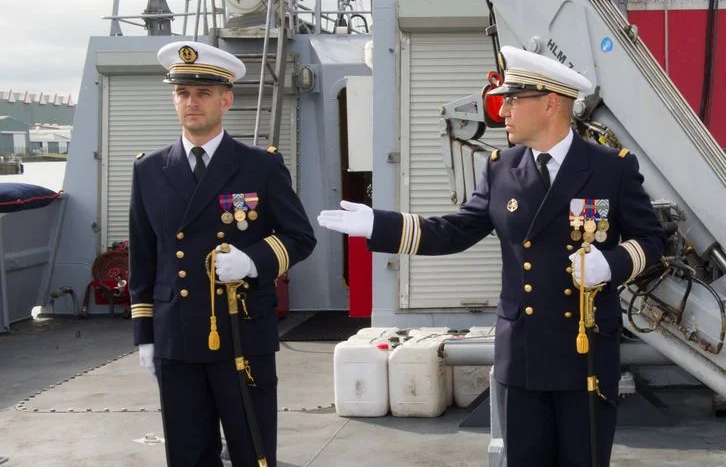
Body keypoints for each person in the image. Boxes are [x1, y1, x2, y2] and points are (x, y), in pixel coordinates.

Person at [317, 45, 666, 466]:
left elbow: (651, 240)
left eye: (514, 100)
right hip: (522, 354)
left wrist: (611, 264)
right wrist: (379, 226)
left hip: (585, 350)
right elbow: (456, 230)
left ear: (551, 104)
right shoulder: (502, 168)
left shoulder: (611, 168)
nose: (503, 112)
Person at [129, 40, 317, 466]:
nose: (191, 102)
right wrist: (145, 335)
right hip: (176, 336)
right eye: (182, 93)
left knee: (252, 451)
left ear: (226, 100)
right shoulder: (149, 170)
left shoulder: (260, 166)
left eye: (203, 93)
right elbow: (143, 257)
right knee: (188, 454)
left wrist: (253, 260)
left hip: (241, 331)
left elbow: (300, 237)